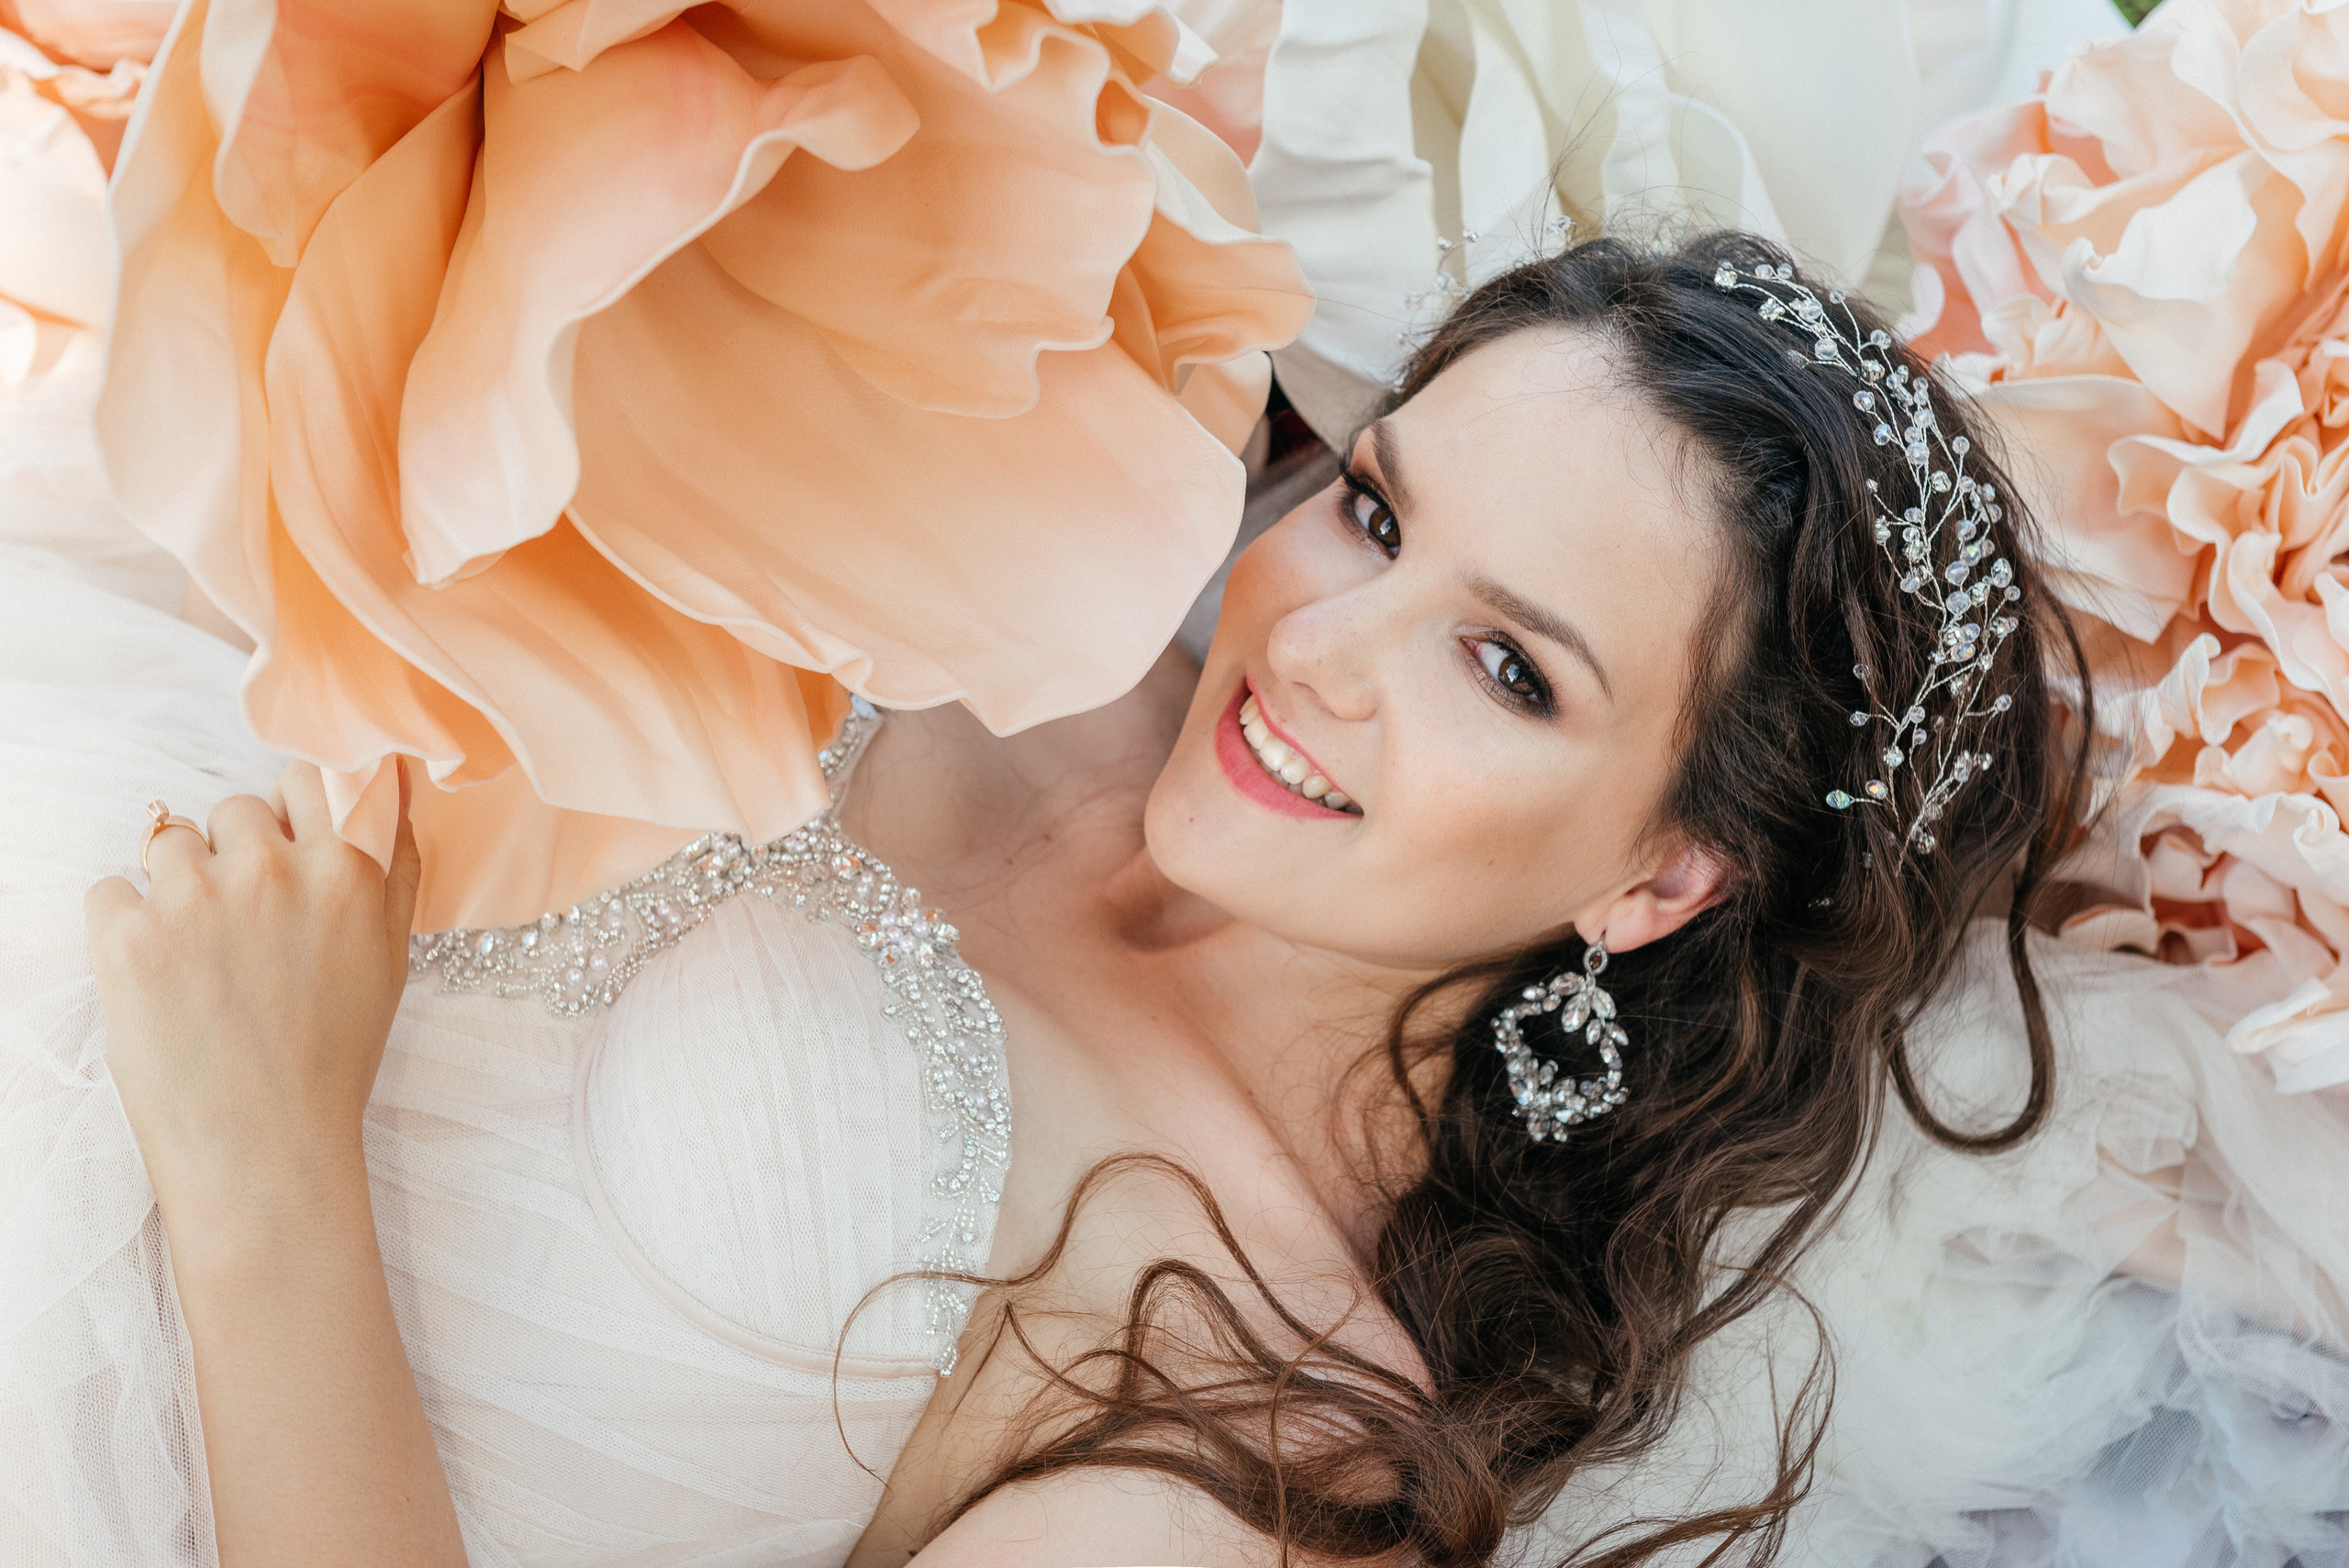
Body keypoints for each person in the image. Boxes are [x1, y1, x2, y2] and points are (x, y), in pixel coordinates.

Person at [69, 227, 2216, 1566]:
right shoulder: (1015, 589)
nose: (1317, 647)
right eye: (1373, 513)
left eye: (1505, 669)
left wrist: (266, 1178)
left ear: (1660, 874)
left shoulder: (1259, 1444)